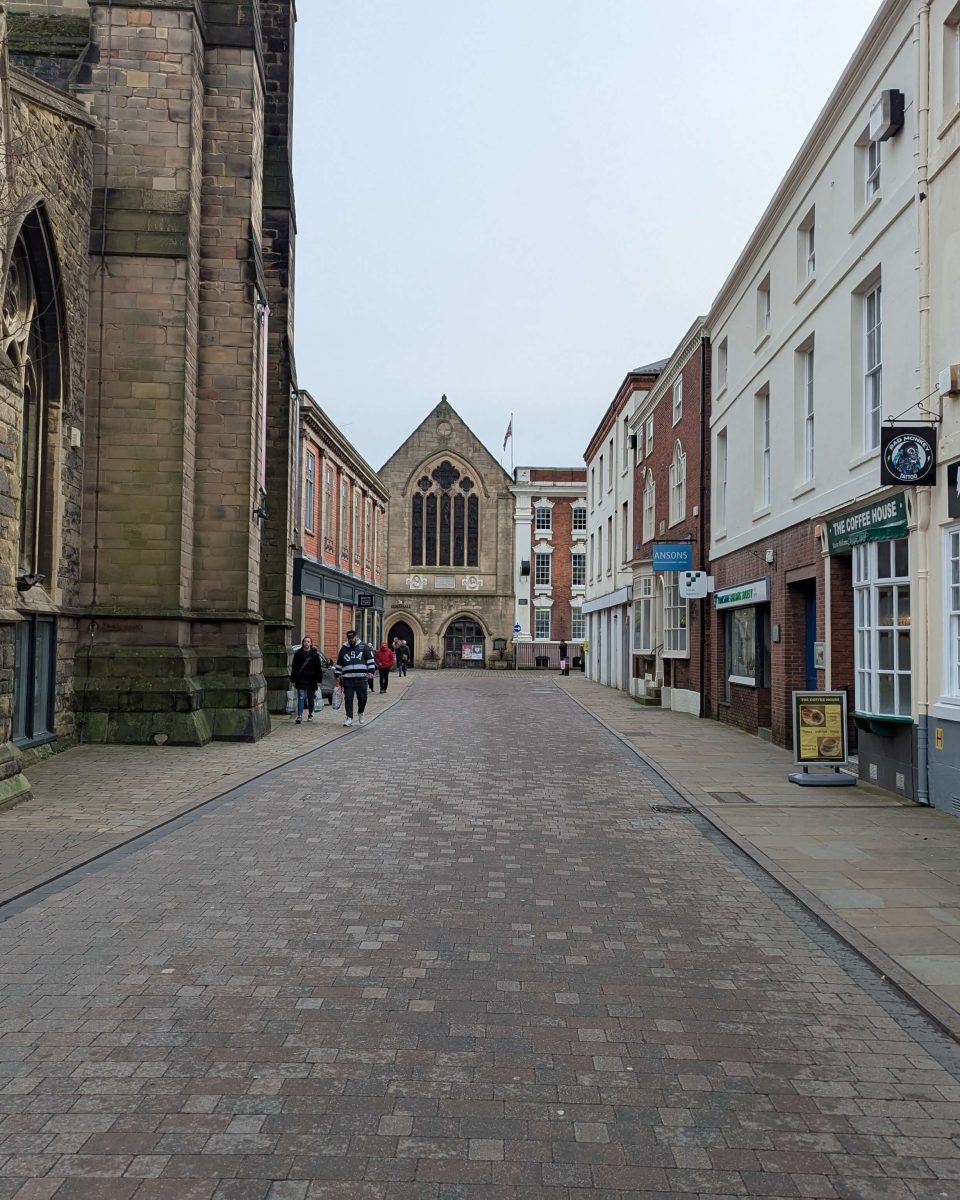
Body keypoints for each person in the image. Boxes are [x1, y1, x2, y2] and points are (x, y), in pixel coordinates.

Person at [335, 629, 375, 726]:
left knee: (362, 698)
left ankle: (361, 712)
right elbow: (339, 662)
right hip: (348, 678)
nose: (351, 640)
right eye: (349, 638)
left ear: (356, 636)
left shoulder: (364, 647)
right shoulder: (343, 649)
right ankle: (349, 717)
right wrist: (337, 674)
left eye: (352, 638)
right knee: (348, 699)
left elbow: (370, 659)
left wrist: (371, 671)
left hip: (361, 678)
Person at [290, 636, 323, 724]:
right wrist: (292, 680)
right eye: (305, 641)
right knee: (301, 697)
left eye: (308, 641)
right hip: (300, 679)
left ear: (311, 643)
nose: (306, 643)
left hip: (312, 680)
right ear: (303, 643)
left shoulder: (315, 654)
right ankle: (299, 716)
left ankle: (310, 714)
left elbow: (318, 668)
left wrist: (319, 681)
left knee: (310, 698)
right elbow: (294, 667)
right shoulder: (298, 653)